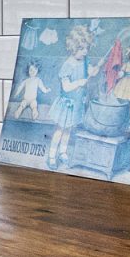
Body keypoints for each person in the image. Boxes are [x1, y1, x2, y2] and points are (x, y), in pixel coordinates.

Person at [47, 25, 95, 168]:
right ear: (73, 47)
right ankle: (51, 156)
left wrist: (92, 70)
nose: (85, 52)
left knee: (68, 130)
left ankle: (62, 152)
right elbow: (66, 87)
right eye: (82, 49)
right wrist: (80, 82)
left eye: (87, 48)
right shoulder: (68, 64)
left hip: (77, 102)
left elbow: (90, 71)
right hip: (67, 103)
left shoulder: (85, 60)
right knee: (59, 130)